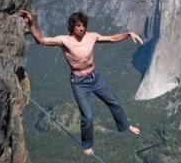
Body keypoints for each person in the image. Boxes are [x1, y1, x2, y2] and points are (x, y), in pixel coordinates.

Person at [19, 10, 142, 155]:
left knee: (113, 101)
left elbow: (111, 39)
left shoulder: (92, 36)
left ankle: (126, 125)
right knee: (87, 116)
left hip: (94, 77)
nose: (82, 28)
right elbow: (41, 41)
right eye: (78, 25)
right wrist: (32, 24)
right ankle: (87, 145)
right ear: (72, 27)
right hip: (79, 82)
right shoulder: (64, 40)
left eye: (83, 25)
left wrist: (128, 34)